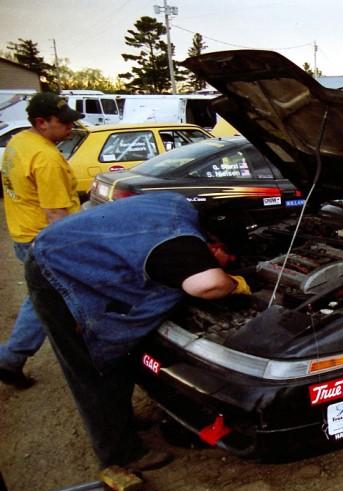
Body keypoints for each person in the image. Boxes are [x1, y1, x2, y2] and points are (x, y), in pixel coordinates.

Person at [24, 192, 251, 471]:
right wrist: (235, 284)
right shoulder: (182, 245)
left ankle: (119, 420)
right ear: (215, 247)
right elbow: (208, 285)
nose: (229, 265)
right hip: (59, 274)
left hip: (66, 250)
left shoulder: (181, 206)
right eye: (229, 259)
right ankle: (121, 454)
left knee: (118, 356)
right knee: (92, 366)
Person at [0, 92, 82, 390]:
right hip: (44, 242)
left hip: (24, 235)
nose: (71, 129)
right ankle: (11, 359)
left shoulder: (19, 141)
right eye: (64, 123)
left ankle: (9, 359)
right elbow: (56, 215)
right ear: (41, 122)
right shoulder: (47, 159)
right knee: (50, 302)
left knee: (39, 300)